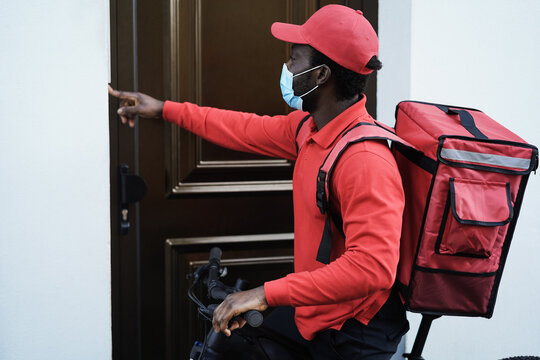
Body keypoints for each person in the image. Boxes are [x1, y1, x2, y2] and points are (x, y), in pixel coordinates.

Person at [109, 5, 409, 359]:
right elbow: (241, 127)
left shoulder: (364, 160)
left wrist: (265, 293)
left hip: (353, 334)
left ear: (320, 75)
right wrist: (164, 109)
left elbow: (372, 268)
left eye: (295, 59)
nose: (287, 68)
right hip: (315, 315)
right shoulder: (310, 130)